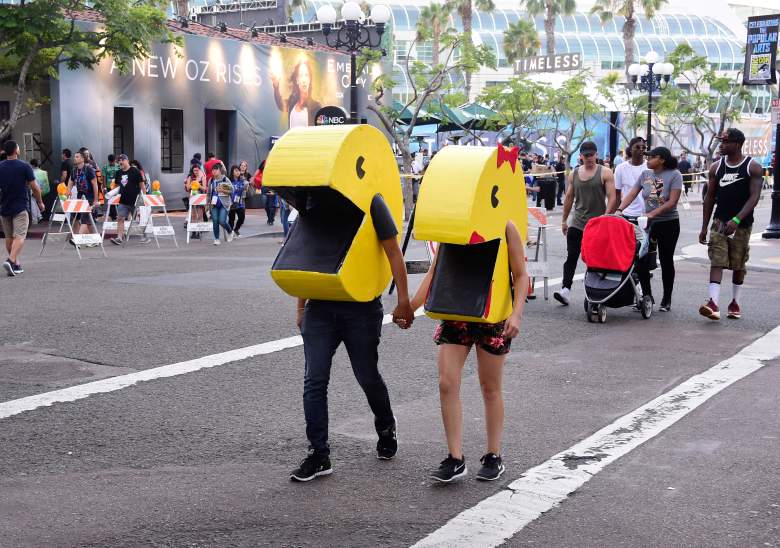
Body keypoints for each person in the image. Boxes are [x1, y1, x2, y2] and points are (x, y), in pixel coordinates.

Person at [410, 223, 529, 482]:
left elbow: (520, 275)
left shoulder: (504, 225)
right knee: (446, 382)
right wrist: (411, 307)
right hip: (455, 312)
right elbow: (435, 271)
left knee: (490, 387)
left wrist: (517, 313)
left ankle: (493, 455)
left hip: (493, 316)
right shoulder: (456, 217)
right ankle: (455, 457)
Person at [698, 128, 763, 321]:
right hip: (719, 222)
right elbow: (709, 198)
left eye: (725, 142)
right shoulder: (716, 167)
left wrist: (737, 219)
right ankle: (713, 303)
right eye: (721, 141)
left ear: (737, 144)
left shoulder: (753, 167)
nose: (721, 145)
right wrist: (704, 227)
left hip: (741, 225)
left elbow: (754, 197)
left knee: (738, 264)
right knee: (716, 259)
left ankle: (735, 302)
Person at [616, 147, 682, 311]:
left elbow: (672, 202)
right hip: (646, 223)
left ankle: (667, 299)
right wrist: (619, 210)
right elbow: (631, 194)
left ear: (662, 160)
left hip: (668, 223)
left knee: (666, 260)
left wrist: (653, 214)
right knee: (641, 259)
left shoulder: (675, 175)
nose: (648, 159)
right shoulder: (645, 174)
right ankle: (647, 296)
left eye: (651, 157)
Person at [554, 141, 617, 305]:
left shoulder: (605, 172)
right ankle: (565, 290)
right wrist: (563, 221)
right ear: (580, 156)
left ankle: (594, 292)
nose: (589, 158)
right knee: (572, 256)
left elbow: (612, 197)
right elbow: (569, 197)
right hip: (578, 222)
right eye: (586, 155)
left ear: (597, 155)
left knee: (595, 260)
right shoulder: (574, 174)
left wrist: (606, 216)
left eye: (592, 154)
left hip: (598, 223)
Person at [1, 140, 44, 276]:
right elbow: (35, 187)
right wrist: (40, 202)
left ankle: (16, 265)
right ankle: (11, 260)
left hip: (4, 206)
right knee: (20, 236)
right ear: (16, 151)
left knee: (9, 237)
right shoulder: (24, 166)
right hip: (20, 206)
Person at [111, 154, 149, 245]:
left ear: (127, 161)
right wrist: (114, 194)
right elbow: (116, 186)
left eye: (122, 160)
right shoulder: (118, 173)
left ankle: (144, 237)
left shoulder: (135, 171)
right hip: (123, 200)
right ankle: (119, 237)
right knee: (120, 218)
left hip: (135, 200)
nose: (121, 162)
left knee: (139, 219)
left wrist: (144, 198)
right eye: (119, 160)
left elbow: (142, 185)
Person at [272, 59, 322, 128]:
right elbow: (281, 105)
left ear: (310, 79)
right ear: (297, 80)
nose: (304, 80)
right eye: (301, 75)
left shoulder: (316, 107)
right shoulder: (292, 103)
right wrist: (276, 87)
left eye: (306, 75)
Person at [612, 137, 648, 222]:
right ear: (630, 149)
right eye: (638, 147)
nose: (641, 149)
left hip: (646, 215)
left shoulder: (650, 167)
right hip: (626, 213)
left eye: (644, 147)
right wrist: (616, 211)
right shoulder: (620, 168)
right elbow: (617, 194)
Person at [67, 150, 100, 241]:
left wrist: (96, 200)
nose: (75, 158)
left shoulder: (88, 169)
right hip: (80, 197)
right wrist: (67, 192)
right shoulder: (74, 170)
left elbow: (95, 184)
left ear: (82, 159)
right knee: (75, 217)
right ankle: (95, 239)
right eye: (75, 156)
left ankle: (77, 239)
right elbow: (70, 181)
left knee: (85, 219)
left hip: (89, 197)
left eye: (77, 157)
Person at [207, 163, 234, 245]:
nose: (214, 171)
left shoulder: (225, 179)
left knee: (222, 221)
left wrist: (223, 190)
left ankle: (230, 231)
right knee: (215, 220)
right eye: (213, 170)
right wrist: (207, 204)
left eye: (216, 170)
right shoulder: (211, 180)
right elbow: (208, 193)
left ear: (220, 170)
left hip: (224, 203)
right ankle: (216, 238)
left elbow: (232, 190)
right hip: (214, 204)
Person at [228, 164, 248, 237]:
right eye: (236, 171)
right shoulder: (229, 181)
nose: (238, 172)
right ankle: (230, 232)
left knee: (242, 217)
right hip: (231, 203)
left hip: (240, 203)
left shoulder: (242, 180)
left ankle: (236, 229)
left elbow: (246, 189)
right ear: (232, 172)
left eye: (239, 171)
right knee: (231, 219)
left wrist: (246, 184)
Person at [28, 159, 49, 224]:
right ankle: (39, 216)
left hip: (36, 191)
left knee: (32, 199)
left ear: (32, 165)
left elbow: (33, 186)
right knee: (33, 200)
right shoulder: (45, 172)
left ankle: (35, 219)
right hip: (45, 191)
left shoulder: (31, 172)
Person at [102, 154, 120, 220]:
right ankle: (113, 215)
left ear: (115, 160)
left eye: (113, 162)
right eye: (110, 162)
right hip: (109, 186)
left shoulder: (118, 166)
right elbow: (103, 177)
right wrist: (104, 187)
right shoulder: (105, 167)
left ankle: (118, 214)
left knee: (118, 199)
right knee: (111, 200)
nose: (112, 163)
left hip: (117, 186)